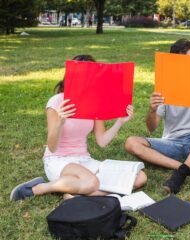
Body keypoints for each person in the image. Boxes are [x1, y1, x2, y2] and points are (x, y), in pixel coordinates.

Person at [10, 55, 147, 201]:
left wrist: (120, 121)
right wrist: (60, 122)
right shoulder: (57, 102)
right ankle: (39, 188)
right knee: (91, 182)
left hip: (84, 160)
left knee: (140, 178)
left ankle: (75, 194)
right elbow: (52, 147)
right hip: (58, 160)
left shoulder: (95, 102)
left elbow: (102, 141)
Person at [125, 39, 190, 194]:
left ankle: (181, 172)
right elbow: (151, 128)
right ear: (177, 62)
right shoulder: (165, 85)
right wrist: (152, 110)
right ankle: (189, 166)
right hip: (173, 143)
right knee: (131, 143)